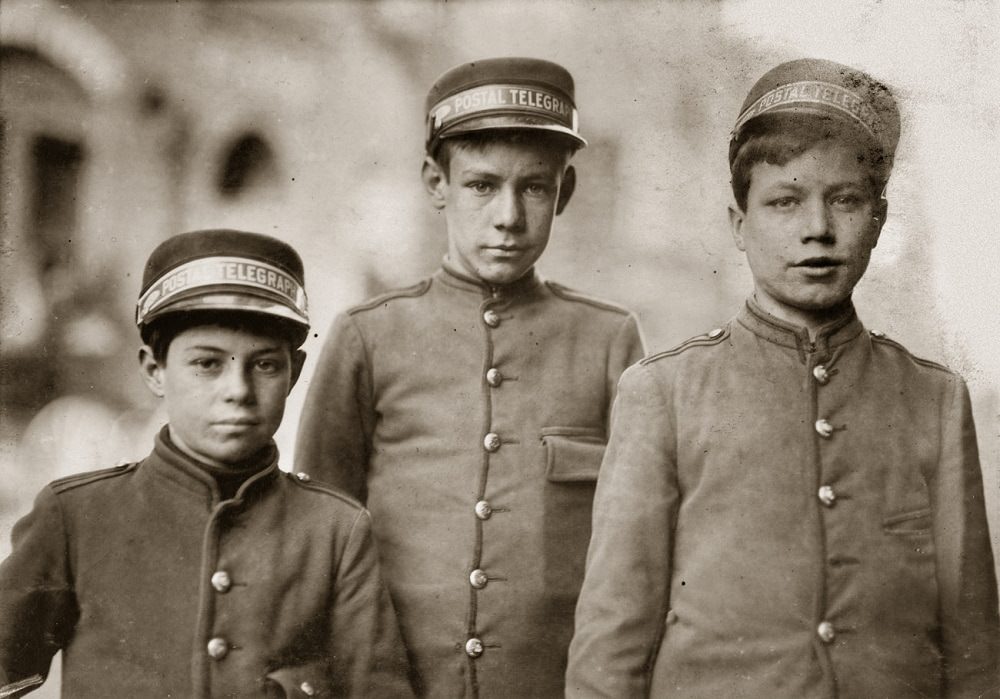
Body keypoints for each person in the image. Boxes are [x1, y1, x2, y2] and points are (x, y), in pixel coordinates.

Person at [567, 58, 999, 697]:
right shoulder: (665, 393)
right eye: (784, 201)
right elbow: (611, 649)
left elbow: (974, 654)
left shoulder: (933, 399)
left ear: (878, 221)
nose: (817, 230)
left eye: (845, 200)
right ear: (739, 225)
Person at [295, 57, 645, 697]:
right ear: (437, 183)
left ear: (564, 193)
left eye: (534, 188)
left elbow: (630, 552)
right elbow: (318, 535)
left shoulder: (608, 340)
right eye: (482, 185)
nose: (508, 215)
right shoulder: (368, 335)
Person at [0, 229, 412, 698]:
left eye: (264, 365)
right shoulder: (77, 516)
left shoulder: (335, 531)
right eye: (208, 364)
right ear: (154, 371)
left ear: (294, 375)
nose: (237, 390)